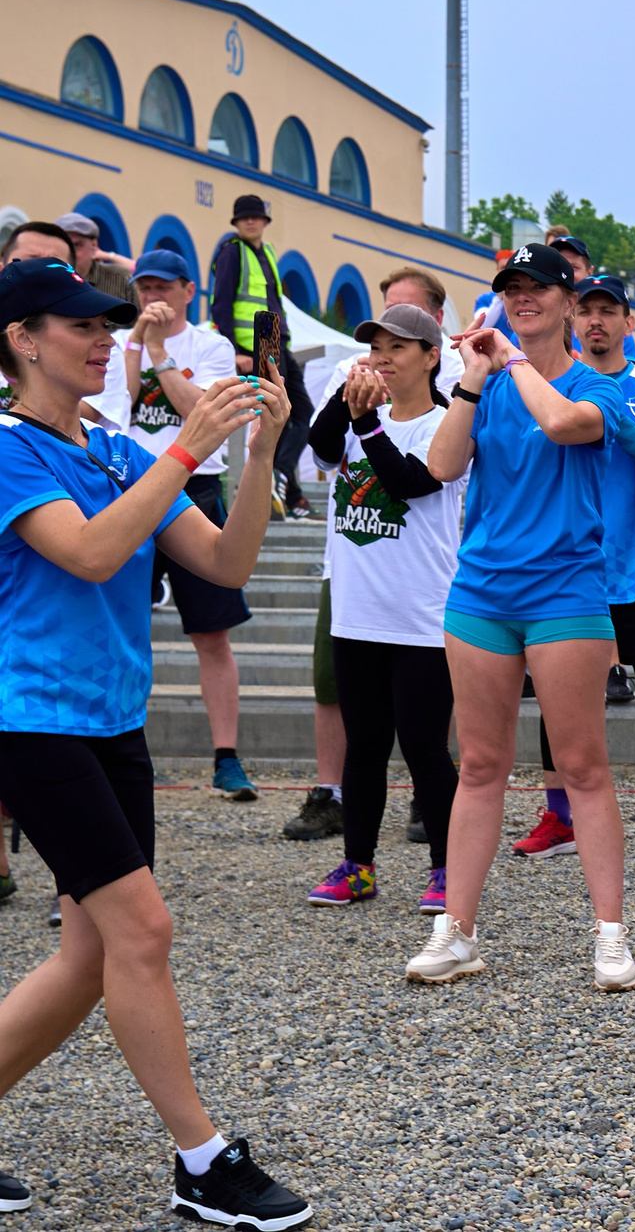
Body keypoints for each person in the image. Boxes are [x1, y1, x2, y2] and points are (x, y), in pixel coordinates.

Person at [0, 256, 312, 1228]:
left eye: (108, 325)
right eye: (82, 325)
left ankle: (199, 1161)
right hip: (29, 717)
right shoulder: (9, 445)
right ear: (21, 338)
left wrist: (258, 449)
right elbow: (91, 553)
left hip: (109, 722)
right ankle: (203, 1159)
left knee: (91, 957)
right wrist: (184, 446)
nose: (106, 339)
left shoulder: (110, 446)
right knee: (144, 929)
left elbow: (227, 557)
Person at [408, 242, 635, 992]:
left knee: (581, 765)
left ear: (569, 303)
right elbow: (443, 466)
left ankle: (611, 934)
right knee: (479, 765)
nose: (523, 298)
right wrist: (473, 381)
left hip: (566, 594)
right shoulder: (489, 383)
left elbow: (563, 425)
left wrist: (511, 361)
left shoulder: (598, 386)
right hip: (481, 591)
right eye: (511, 289)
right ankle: (458, 932)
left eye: (537, 288)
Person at [514, 277, 635, 864]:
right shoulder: (549, 385)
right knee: (559, 700)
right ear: (571, 316)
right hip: (568, 571)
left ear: (628, 322)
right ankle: (557, 816)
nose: (597, 321)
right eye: (587, 310)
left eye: (609, 311)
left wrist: (612, 414)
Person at [299, 303, 466, 915]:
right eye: (376, 346)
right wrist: (346, 403)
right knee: (363, 748)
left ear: (431, 356)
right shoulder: (356, 415)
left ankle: (448, 867)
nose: (384, 357)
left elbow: (409, 482)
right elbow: (318, 449)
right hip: (357, 611)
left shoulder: (446, 423)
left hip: (421, 616)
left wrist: (367, 424)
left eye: (399, 347)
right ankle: (358, 865)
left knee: (425, 747)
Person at [85, 250, 263, 805]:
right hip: (128, 485)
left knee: (211, 631)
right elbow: (118, 404)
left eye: (163, 287)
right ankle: (108, 744)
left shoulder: (209, 345)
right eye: (144, 287)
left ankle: (226, 757)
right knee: (112, 616)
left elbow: (198, 413)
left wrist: (160, 351)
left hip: (194, 487)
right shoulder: (117, 341)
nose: (152, 297)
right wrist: (137, 342)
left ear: (190, 290)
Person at [206, 195, 312, 520]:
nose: (250, 222)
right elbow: (220, 303)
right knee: (270, 414)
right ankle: (283, 490)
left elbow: (275, 298)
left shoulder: (267, 252)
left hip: (274, 340)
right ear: (236, 223)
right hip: (252, 345)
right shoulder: (231, 252)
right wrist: (234, 351)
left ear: (265, 222)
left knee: (302, 410)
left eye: (256, 217)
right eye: (244, 218)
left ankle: (281, 478)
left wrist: (286, 339)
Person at [55, 213, 134, 306]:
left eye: (77, 245)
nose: (70, 253)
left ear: (94, 246)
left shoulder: (119, 278)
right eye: (64, 246)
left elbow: (139, 317)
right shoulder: (49, 281)